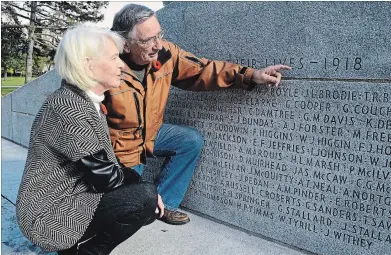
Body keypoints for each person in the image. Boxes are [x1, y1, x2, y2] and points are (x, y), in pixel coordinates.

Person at [104, 4, 291, 225]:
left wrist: (251, 75)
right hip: (120, 150)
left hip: (152, 133)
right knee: (118, 219)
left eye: (159, 35)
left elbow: (203, 69)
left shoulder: (164, 55)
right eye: (147, 40)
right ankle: (143, 205)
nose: (157, 45)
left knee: (189, 141)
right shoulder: (104, 66)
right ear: (125, 44)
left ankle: (165, 205)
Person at [16, 26, 164, 255]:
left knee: (146, 199)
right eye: (114, 57)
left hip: (69, 195)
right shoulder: (68, 106)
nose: (121, 65)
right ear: (88, 64)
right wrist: (150, 195)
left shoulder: (85, 100)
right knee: (143, 198)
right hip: (47, 215)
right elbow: (105, 177)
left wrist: (150, 194)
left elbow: (107, 166)